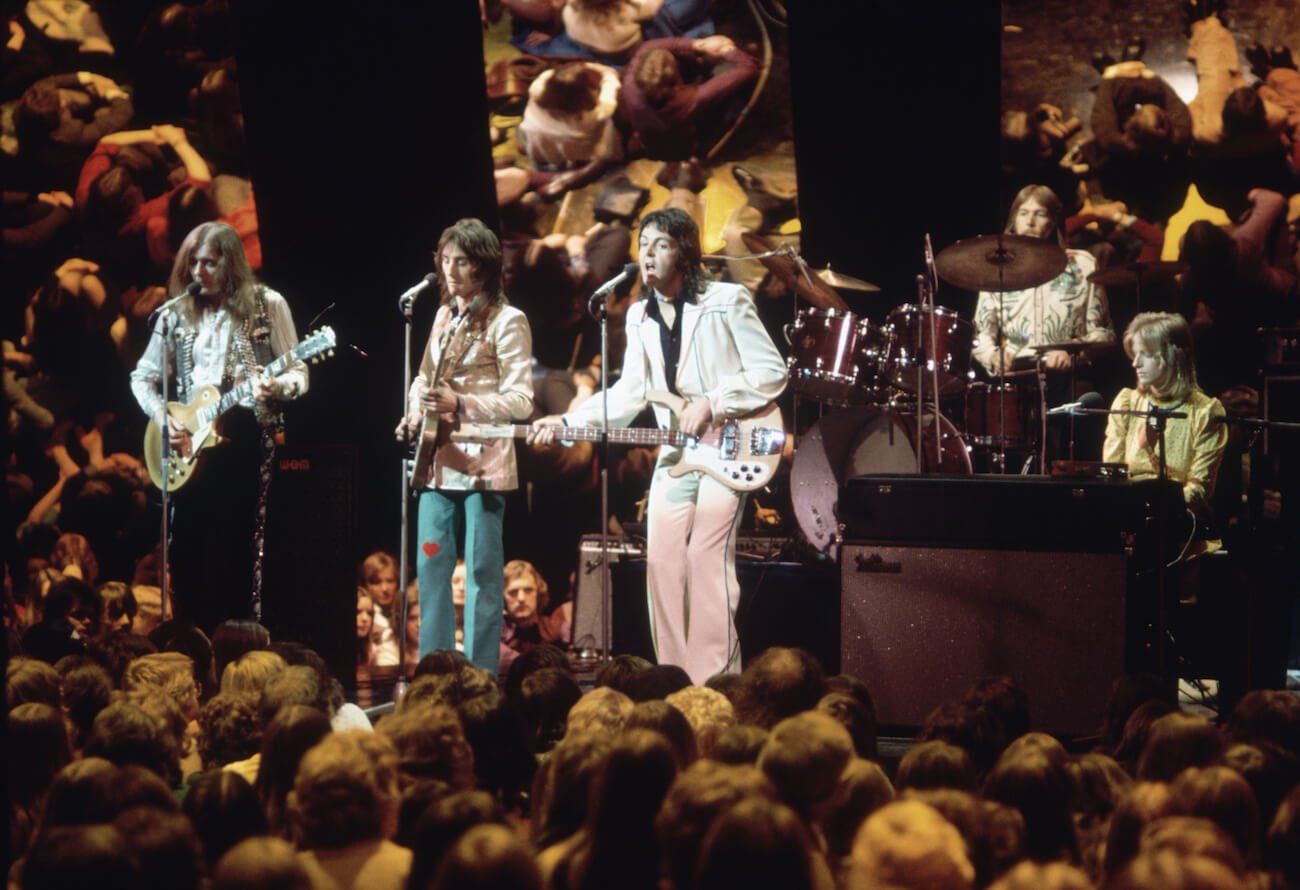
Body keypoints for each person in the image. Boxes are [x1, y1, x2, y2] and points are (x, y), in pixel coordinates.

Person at [532, 207, 787, 684]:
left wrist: (712, 401)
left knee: (706, 560)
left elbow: (772, 372)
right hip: (677, 453)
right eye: (643, 244)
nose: (647, 253)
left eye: (660, 245)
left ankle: (716, 684)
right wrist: (567, 421)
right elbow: (629, 394)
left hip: (731, 447)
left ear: (685, 254)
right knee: (665, 563)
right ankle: (675, 680)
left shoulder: (726, 300)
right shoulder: (638, 315)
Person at [130, 220, 308, 633]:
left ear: (231, 263)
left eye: (208, 264)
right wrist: (165, 417)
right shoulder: (175, 314)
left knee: (238, 554)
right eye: (193, 263)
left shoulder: (268, 304)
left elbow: (299, 371)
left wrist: (276, 385)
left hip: (245, 442)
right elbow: (142, 377)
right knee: (189, 555)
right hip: (189, 446)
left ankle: (241, 645)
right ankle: (193, 644)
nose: (198, 273)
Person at [396, 218, 534, 676]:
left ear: (485, 267)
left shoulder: (507, 320)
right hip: (437, 458)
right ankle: (434, 673)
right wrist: (414, 412)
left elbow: (521, 400)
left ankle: (481, 677)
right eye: (446, 259)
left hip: (485, 462)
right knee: (431, 566)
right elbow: (422, 379)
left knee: (481, 574)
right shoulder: (442, 315)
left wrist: (463, 402)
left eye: (462, 261)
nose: (450, 269)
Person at [972, 184, 1116, 379]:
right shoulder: (996, 270)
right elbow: (980, 335)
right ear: (1014, 220)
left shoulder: (1082, 265)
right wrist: (993, 355)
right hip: (1016, 375)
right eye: (1023, 213)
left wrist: (1072, 351)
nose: (1030, 222)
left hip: (1070, 375)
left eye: (1040, 214)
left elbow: (1103, 333)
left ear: (1053, 221)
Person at [1102, 312, 1228, 514]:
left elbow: (1199, 488)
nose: (1136, 363)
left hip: (1178, 521)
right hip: (1129, 515)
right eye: (1135, 355)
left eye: (1146, 355)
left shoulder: (1205, 411)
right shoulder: (1127, 402)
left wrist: (1155, 505)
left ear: (1172, 356)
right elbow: (1111, 474)